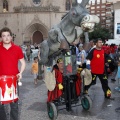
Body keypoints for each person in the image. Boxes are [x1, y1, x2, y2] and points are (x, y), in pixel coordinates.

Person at [0, 27, 26, 120]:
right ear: (1, 38)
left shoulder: (17, 49)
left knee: (14, 105)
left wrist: (21, 73)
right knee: (0, 105)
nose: (6, 38)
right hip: (0, 81)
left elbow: (23, 63)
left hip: (14, 80)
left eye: (8, 35)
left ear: (11, 37)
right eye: (3, 36)